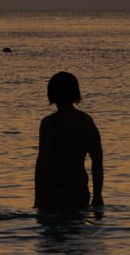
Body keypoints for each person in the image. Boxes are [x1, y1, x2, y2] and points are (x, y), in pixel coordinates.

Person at [35, 71, 104, 210]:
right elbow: (97, 161)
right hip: (79, 191)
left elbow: (42, 163)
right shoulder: (85, 121)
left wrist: (38, 197)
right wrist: (98, 195)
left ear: (51, 94)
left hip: (53, 193)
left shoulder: (49, 123)